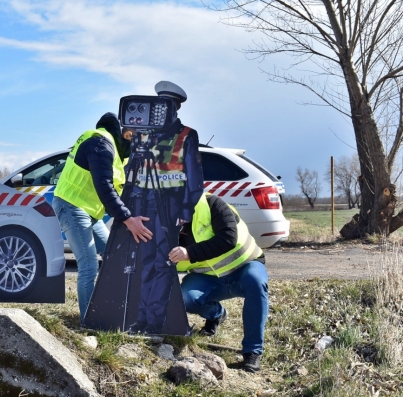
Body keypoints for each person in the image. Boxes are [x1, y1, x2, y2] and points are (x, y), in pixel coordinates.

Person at [53, 113, 151, 320]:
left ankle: (110, 307)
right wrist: (127, 219)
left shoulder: (113, 148)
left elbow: (117, 188)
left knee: (112, 255)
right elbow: (104, 186)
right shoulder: (100, 144)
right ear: (123, 133)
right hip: (72, 206)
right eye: (132, 138)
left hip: (89, 211)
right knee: (88, 265)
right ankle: (89, 320)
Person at [127, 81, 204, 336]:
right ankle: (141, 320)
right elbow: (133, 169)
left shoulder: (186, 135)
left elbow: (194, 177)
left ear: (176, 108)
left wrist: (186, 210)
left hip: (168, 207)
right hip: (143, 205)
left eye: (167, 105)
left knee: (162, 264)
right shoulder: (142, 133)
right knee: (146, 264)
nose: (161, 110)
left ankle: (154, 323)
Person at [169, 193, 267, 372]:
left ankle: (252, 351)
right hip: (208, 277)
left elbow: (228, 237)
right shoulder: (165, 221)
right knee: (184, 298)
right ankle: (216, 315)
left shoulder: (211, 203)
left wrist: (190, 252)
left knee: (256, 282)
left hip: (244, 268)